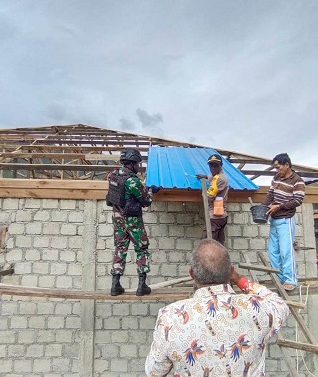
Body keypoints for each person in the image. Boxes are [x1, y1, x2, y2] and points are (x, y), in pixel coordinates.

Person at [145, 239, 290, 376]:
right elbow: (280, 304)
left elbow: (154, 372)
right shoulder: (258, 308)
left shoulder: (171, 317)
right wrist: (239, 279)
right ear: (231, 272)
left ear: (191, 274)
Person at [106, 148, 154, 297]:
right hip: (132, 219)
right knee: (141, 248)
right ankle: (142, 285)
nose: (138, 166)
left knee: (120, 248)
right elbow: (146, 201)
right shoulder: (133, 181)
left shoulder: (113, 175)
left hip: (117, 217)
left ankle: (115, 285)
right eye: (137, 163)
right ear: (132, 163)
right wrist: (151, 191)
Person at [261, 153, 305, 291]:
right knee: (273, 252)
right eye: (275, 167)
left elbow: (298, 200)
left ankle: (290, 280)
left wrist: (279, 206)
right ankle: (280, 278)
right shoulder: (276, 178)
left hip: (286, 220)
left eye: (278, 167)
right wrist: (262, 207)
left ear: (286, 165)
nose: (277, 170)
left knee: (286, 251)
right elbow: (270, 195)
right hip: (274, 219)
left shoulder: (297, 181)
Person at [196, 154, 229, 244]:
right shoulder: (218, 176)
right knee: (218, 244)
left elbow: (208, 197)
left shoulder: (220, 179)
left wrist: (202, 191)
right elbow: (213, 177)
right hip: (221, 216)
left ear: (221, 165)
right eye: (211, 165)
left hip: (215, 217)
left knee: (206, 244)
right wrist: (205, 176)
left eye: (216, 165)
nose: (213, 168)